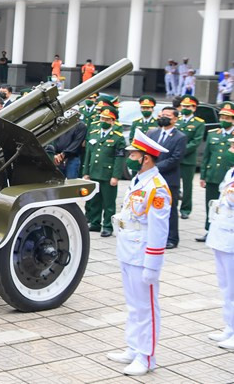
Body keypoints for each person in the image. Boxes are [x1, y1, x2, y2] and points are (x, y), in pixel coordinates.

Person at [106, 130, 171, 376]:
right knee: (134, 305)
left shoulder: (157, 188)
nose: (130, 157)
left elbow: (158, 229)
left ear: (146, 158)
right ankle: (133, 348)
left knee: (146, 308)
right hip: (128, 249)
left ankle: (146, 357)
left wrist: (153, 264)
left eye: (134, 154)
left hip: (143, 253)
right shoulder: (138, 181)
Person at [206, 140, 234, 350]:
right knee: (226, 286)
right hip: (222, 235)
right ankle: (230, 326)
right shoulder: (231, 172)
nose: (230, 149)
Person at [83, 107, 125, 237]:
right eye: (102, 118)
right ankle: (95, 223)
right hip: (94, 172)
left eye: (107, 119)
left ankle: (107, 226)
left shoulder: (118, 137)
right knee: (94, 201)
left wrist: (116, 176)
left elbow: (119, 158)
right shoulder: (94, 133)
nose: (104, 121)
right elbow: (88, 154)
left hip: (108, 174)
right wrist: (86, 172)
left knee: (108, 203)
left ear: (113, 121)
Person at [147, 107, 186, 249]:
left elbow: (176, 158)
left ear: (175, 119)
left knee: (170, 209)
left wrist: (155, 167)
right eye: (162, 115)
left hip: (169, 178)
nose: (164, 117)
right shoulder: (153, 133)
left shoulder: (180, 137)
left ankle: (172, 238)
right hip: (151, 178)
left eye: (167, 115)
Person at [198, 103, 234, 242]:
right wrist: (203, 176)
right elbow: (206, 157)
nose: (224, 120)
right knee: (211, 204)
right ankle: (209, 230)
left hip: (228, 178)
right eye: (222, 117)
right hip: (212, 175)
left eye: (227, 118)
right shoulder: (213, 134)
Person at [177, 96, 204, 220]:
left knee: (187, 186)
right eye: (183, 106)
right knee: (173, 185)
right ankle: (172, 206)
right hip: (175, 159)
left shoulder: (199, 123)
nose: (185, 108)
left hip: (188, 159)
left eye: (188, 106)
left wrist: (181, 151)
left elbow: (196, 141)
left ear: (194, 108)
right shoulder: (177, 120)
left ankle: (185, 209)